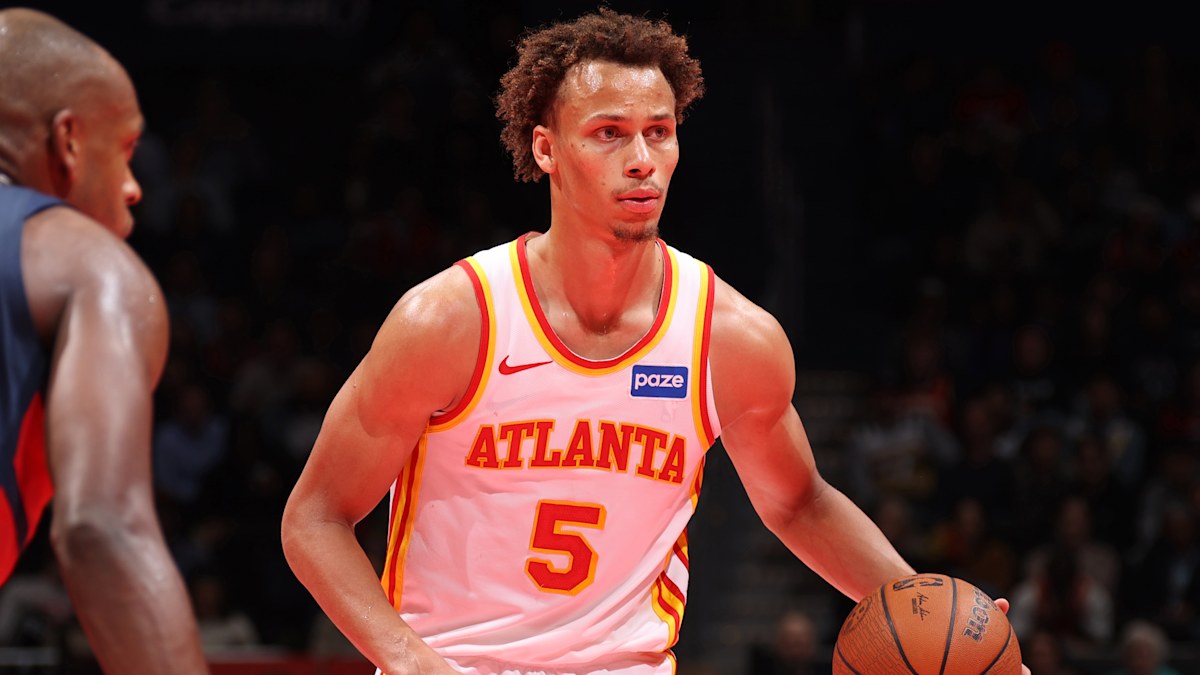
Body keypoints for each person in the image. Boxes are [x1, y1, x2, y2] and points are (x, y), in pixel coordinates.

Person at [282, 9, 1023, 674]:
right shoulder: (450, 321)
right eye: (609, 133)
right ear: (546, 149)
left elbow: (799, 503)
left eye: (659, 132)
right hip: (460, 662)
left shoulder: (730, 337)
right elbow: (314, 517)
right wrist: (406, 658)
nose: (641, 157)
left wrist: (938, 616)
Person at [0, 8, 208, 673]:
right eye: (124, 149)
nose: (133, 187)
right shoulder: (83, 263)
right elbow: (101, 528)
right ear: (67, 141)